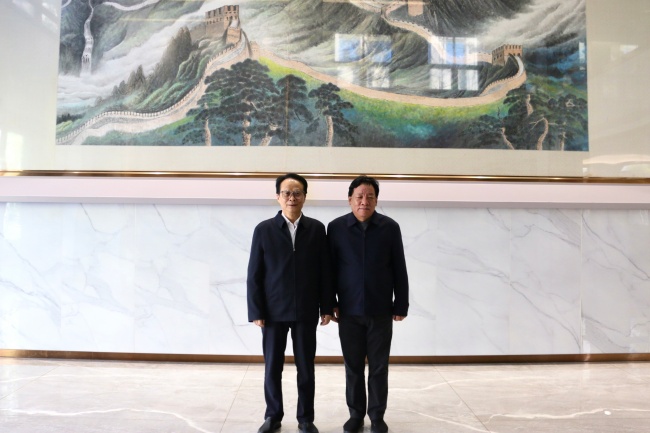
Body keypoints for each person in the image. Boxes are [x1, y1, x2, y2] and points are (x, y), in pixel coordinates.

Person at [247, 173, 333, 433]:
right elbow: (254, 274)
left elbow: (325, 271)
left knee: (306, 368)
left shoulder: (316, 229)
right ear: (278, 196)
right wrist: (256, 310)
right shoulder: (263, 230)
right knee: (272, 367)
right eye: (286, 193)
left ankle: (306, 418)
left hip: (306, 310)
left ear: (305, 196)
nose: (292, 198)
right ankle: (273, 416)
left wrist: (327, 306)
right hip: (272, 312)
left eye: (297, 193)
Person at [327, 175, 409, 433]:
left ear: (376, 200)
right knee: (352, 367)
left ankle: (376, 416)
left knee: (379, 367)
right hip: (348, 311)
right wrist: (329, 303)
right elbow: (329, 269)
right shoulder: (336, 228)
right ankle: (355, 415)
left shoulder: (390, 227)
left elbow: (399, 267)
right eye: (359, 196)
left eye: (370, 197)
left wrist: (401, 304)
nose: (364, 201)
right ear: (349, 199)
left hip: (381, 310)